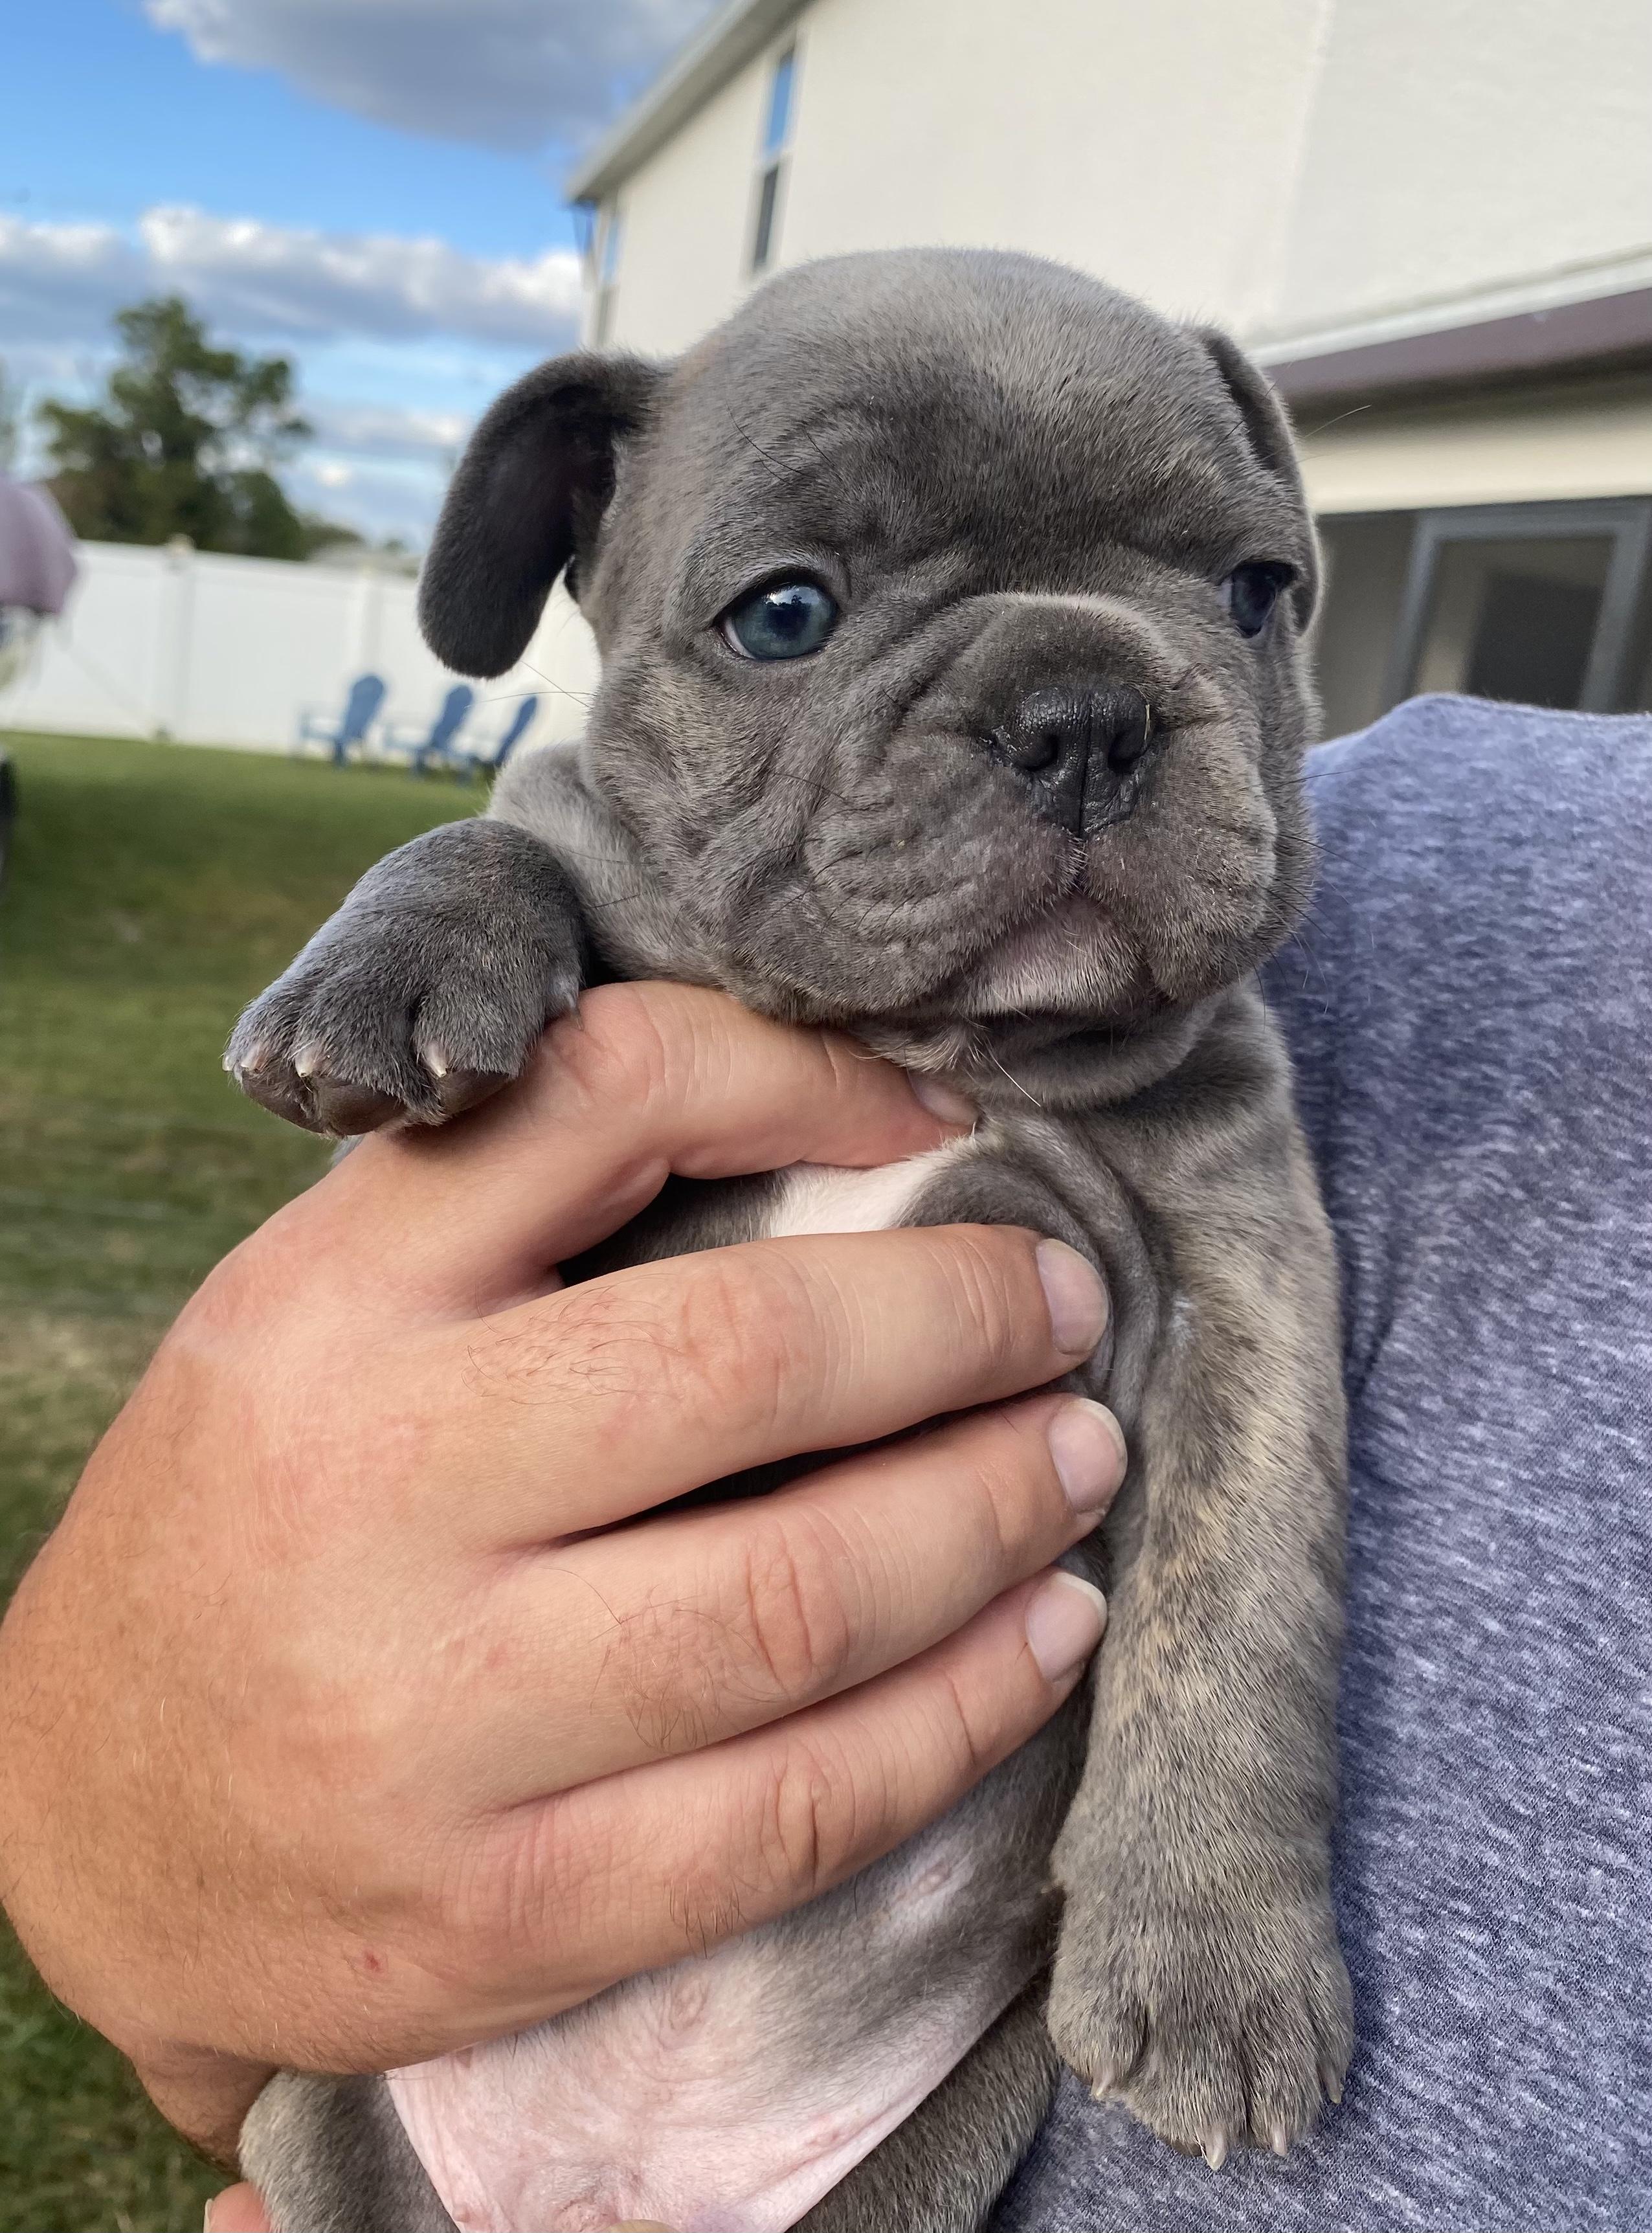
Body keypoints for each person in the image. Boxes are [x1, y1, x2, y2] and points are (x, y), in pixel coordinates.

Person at [3, 697, 1648, 2233]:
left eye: (1239, 589)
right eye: (789, 610)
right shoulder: (1430, 836)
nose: (1071, 731)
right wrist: (117, 1790)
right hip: (419, 2095)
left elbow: (1240, 1346)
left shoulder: (1270, 984)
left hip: (890, 2102)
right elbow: (554, 843)